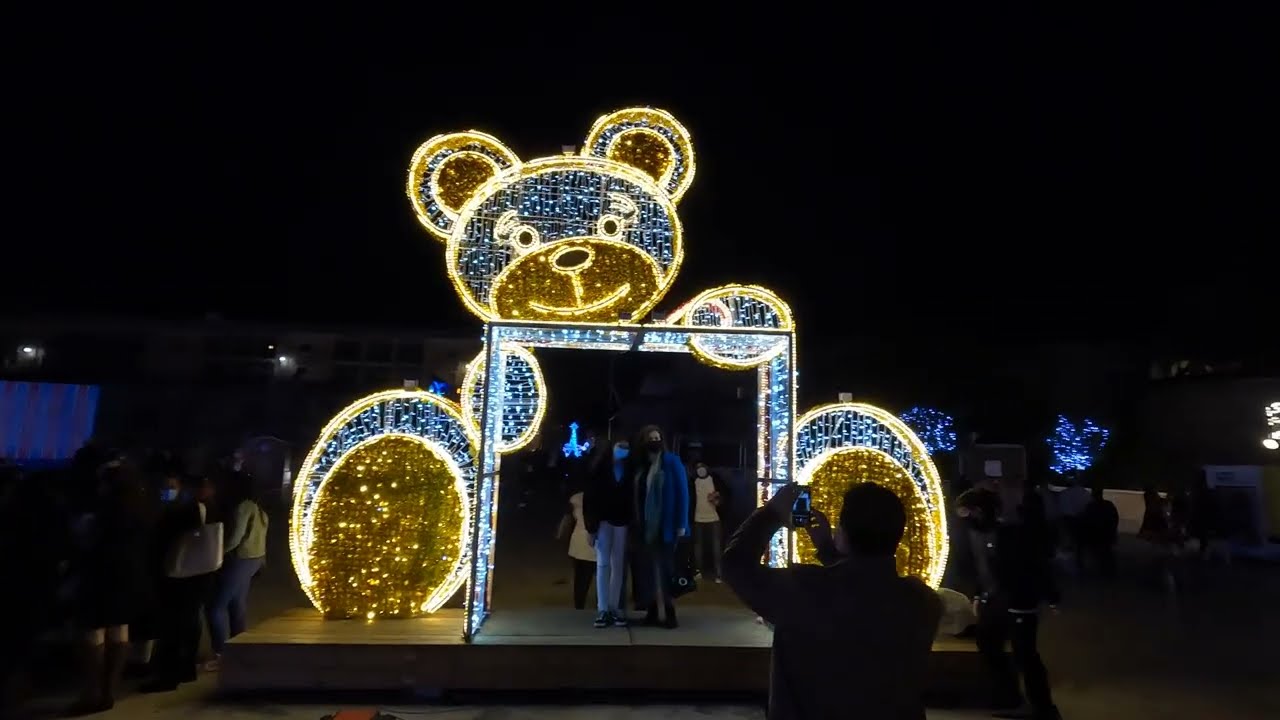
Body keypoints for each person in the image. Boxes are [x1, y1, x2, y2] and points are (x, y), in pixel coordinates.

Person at [723, 482, 942, 719]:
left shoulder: (804, 589)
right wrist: (830, 553)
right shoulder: (923, 602)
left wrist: (771, 514)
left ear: (843, 534)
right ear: (898, 537)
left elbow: (735, 566)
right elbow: (864, 592)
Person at [968, 488, 1062, 720]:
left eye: (969, 512)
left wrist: (1051, 597)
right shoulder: (981, 535)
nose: (965, 517)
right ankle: (1009, 695)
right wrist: (980, 595)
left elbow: (1036, 565)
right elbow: (983, 569)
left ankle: (1044, 708)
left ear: (980, 511)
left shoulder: (1012, 534)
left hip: (1018, 601)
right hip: (996, 601)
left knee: (1025, 654)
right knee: (988, 642)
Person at [67, 461, 152, 716]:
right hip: (130, 578)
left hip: (101, 576)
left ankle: (91, 692)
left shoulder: (102, 512)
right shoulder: (141, 509)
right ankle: (109, 690)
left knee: (92, 633)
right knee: (120, 631)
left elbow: (87, 542)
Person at [141, 474, 216, 692]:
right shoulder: (214, 508)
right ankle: (186, 669)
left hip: (181, 576)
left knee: (173, 626)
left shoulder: (183, 511)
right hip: (202, 574)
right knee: (191, 623)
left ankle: (168, 676)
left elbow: (163, 540)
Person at [205, 472, 268, 670]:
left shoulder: (243, 508)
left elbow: (235, 538)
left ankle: (221, 654)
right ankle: (239, 648)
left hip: (241, 559)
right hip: (254, 559)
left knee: (215, 607)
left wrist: (218, 555)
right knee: (237, 605)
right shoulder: (259, 508)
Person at [629, 425, 689, 628]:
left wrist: (681, 523)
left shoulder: (671, 462)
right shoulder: (643, 466)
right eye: (650, 438)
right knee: (649, 570)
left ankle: (669, 613)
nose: (654, 441)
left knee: (664, 570)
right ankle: (653, 611)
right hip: (646, 527)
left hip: (667, 526)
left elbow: (683, 493)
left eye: (657, 437)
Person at [583, 439, 634, 628]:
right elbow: (590, 499)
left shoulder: (629, 470)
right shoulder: (599, 470)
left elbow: (631, 497)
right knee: (603, 563)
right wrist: (591, 528)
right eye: (620, 447)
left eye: (626, 448)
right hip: (603, 521)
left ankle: (613, 607)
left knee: (618, 565)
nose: (623, 451)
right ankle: (603, 608)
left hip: (622, 521)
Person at [557, 481, 596, 613]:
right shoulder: (598, 499)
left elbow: (568, 519)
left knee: (579, 577)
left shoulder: (575, 498)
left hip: (577, 542)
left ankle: (579, 605)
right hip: (591, 543)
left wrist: (560, 534)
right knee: (589, 575)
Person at [690, 461, 726, 582]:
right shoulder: (693, 482)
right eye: (698, 468)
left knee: (716, 547)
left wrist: (717, 498)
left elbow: (723, 496)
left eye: (702, 467)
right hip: (697, 519)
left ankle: (719, 573)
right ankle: (698, 571)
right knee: (698, 546)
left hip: (714, 519)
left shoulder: (715, 480)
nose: (700, 470)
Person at [1078, 485, 1119, 577]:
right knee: (1106, 554)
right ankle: (1108, 572)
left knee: (1099, 554)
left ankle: (1104, 572)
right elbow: (1115, 519)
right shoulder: (1108, 505)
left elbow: (1086, 520)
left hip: (1096, 534)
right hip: (1105, 534)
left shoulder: (1091, 507)